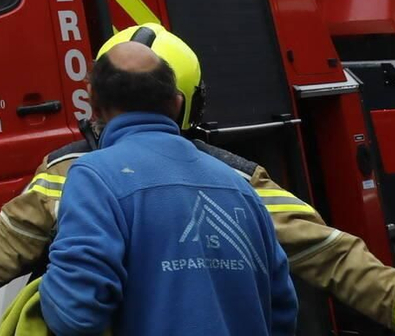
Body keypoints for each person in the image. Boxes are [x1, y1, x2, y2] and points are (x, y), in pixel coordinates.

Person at [0, 25, 395, 336]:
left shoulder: (69, 174)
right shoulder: (241, 183)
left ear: (93, 103)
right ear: (186, 103)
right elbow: (344, 265)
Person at [36, 36, 294, 335]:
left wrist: (46, 285)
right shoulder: (239, 185)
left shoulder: (94, 177)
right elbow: (283, 308)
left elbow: (75, 315)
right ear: (178, 103)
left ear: (93, 102)